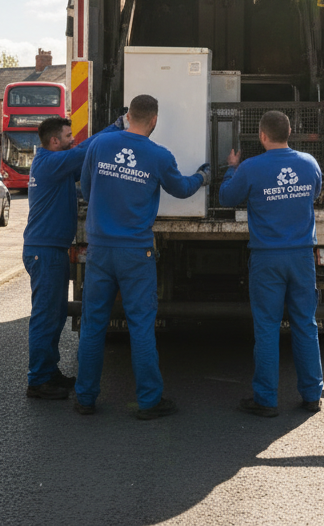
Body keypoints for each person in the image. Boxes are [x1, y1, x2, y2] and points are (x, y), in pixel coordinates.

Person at [74, 94, 208, 419]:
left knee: (93, 324)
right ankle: (149, 401)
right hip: (135, 251)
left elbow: (86, 189)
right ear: (154, 121)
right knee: (141, 325)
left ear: (128, 115)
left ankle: (85, 398)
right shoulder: (158, 155)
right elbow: (181, 189)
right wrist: (203, 176)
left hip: (100, 248)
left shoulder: (99, 146)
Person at [219, 110, 324, 417]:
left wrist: (231, 168)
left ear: (262, 135)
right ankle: (312, 395)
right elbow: (315, 193)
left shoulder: (251, 168)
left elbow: (227, 198)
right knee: (306, 324)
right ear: (289, 132)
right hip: (303, 256)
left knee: (266, 327)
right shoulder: (309, 164)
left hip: (267, 258)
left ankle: (266, 399)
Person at [21, 113, 122, 400]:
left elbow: (85, 163)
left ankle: (48, 373)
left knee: (54, 315)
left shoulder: (56, 165)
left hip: (49, 250)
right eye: (67, 136)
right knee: (45, 316)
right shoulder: (51, 162)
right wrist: (115, 127)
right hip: (45, 252)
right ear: (54, 141)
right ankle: (38, 380)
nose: (72, 139)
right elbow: (84, 151)